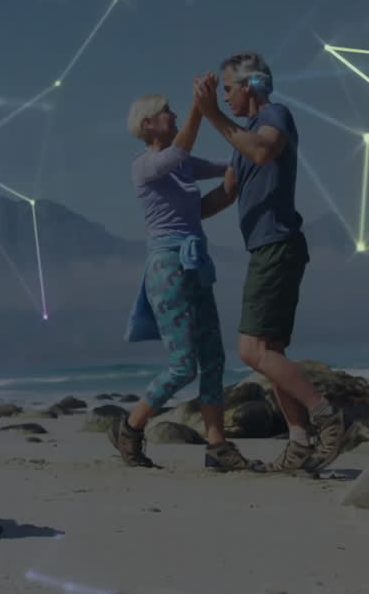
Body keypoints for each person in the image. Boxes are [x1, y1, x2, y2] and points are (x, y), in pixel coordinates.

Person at [191, 50, 349, 475]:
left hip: (278, 245)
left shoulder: (275, 116)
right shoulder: (242, 137)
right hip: (266, 249)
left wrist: (211, 117)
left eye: (228, 90)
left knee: (252, 350)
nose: (224, 99)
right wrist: (173, 213)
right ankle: (299, 443)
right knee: (271, 351)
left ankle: (326, 417)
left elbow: (263, 152)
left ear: (250, 86)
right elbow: (224, 194)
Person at [112, 87, 263, 472]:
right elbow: (178, 151)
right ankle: (129, 427)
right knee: (183, 366)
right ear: (148, 125)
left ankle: (217, 446)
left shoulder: (182, 164)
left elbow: (228, 167)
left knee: (214, 358)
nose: (174, 114)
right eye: (167, 112)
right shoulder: (143, 166)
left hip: (196, 263)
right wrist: (201, 108)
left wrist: (258, 153)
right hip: (167, 267)